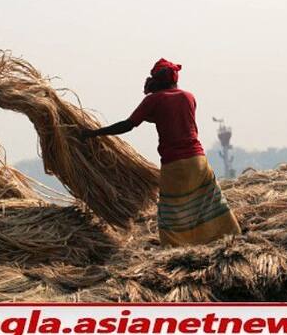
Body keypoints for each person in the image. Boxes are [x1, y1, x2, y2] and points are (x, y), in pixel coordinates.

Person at [81, 58, 241, 247]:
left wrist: (95, 133)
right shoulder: (189, 97)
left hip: (174, 163)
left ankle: (175, 246)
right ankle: (227, 235)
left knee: (172, 208)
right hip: (197, 160)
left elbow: (128, 125)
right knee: (208, 200)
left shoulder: (154, 100)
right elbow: (171, 117)